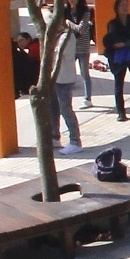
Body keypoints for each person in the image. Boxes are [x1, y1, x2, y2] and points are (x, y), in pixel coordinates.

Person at [102, 0, 130, 120]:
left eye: (127, 4)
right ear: (117, 8)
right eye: (123, 5)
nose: (125, 7)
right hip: (119, 57)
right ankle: (121, 112)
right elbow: (113, 38)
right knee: (119, 84)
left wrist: (125, 44)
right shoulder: (113, 23)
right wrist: (126, 44)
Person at [44, 11, 83, 153]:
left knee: (65, 108)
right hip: (54, 77)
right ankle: (55, 136)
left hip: (64, 78)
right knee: (54, 107)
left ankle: (75, 140)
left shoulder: (67, 36)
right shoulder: (54, 36)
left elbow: (57, 53)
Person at [59, 0, 97, 104]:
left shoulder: (85, 12)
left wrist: (68, 22)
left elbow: (81, 29)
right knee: (68, 72)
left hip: (83, 46)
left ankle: (87, 98)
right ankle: (66, 98)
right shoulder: (65, 11)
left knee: (84, 73)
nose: (71, 0)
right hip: (70, 47)